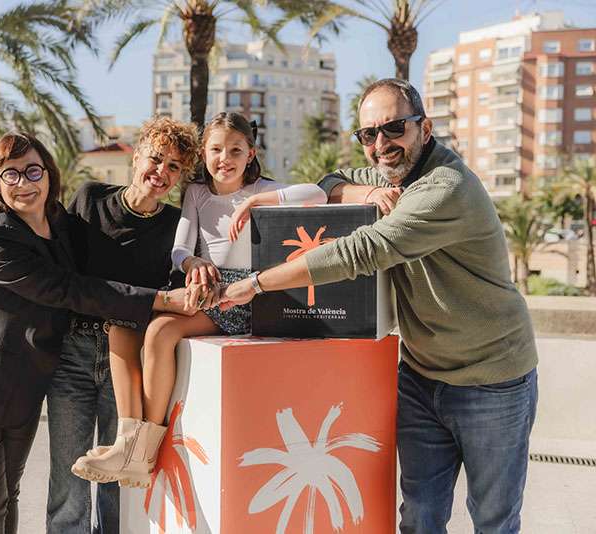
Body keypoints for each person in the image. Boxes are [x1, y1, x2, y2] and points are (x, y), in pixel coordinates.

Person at [220, 78, 538, 534]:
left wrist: (258, 283)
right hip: (421, 378)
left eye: (394, 128)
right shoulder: (394, 173)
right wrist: (365, 194)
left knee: (494, 520)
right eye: (368, 134)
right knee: (419, 517)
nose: (381, 144)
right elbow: (330, 182)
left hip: (492, 380)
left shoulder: (445, 187)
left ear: (424, 128)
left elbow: (361, 251)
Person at [0, 132, 192, 534]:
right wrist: (164, 301)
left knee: (8, 495)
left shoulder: (58, 224)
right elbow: (70, 289)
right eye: (11, 174)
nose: (24, 183)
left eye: (33, 171)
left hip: (20, 382)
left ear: (49, 174)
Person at [70, 111, 327, 487]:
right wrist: (192, 261)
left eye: (236, 150)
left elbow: (317, 194)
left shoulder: (261, 190)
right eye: (216, 150)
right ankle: (130, 443)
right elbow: (180, 249)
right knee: (127, 326)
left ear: (251, 154)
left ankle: (141, 451)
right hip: (212, 288)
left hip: (248, 295)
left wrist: (258, 201)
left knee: (160, 331)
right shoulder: (196, 193)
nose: (225, 158)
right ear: (204, 154)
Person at [46, 117, 200, 533]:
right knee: (68, 476)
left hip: (129, 360)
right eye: (156, 158)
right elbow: (65, 278)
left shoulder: (178, 228)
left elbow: (179, 292)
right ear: (136, 157)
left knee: (118, 479)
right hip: (74, 354)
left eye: (174, 167)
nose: (161, 171)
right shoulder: (89, 200)